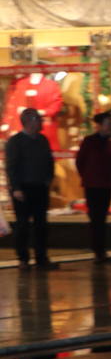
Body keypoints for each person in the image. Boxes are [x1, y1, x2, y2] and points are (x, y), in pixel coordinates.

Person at [5, 108, 56, 269]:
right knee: (23, 225)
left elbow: (49, 161)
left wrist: (48, 179)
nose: (41, 123)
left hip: (40, 187)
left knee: (41, 224)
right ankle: (23, 258)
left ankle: (41, 257)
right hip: (23, 189)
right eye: (38, 120)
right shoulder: (15, 141)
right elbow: (11, 166)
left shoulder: (42, 140)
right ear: (30, 122)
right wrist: (16, 187)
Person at [76, 111, 111, 263]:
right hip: (92, 185)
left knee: (102, 218)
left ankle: (102, 250)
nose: (109, 127)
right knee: (95, 218)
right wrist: (88, 176)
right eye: (107, 124)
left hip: (106, 185)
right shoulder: (89, 141)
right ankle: (98, 251)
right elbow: (80, 162)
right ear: (99, 126)